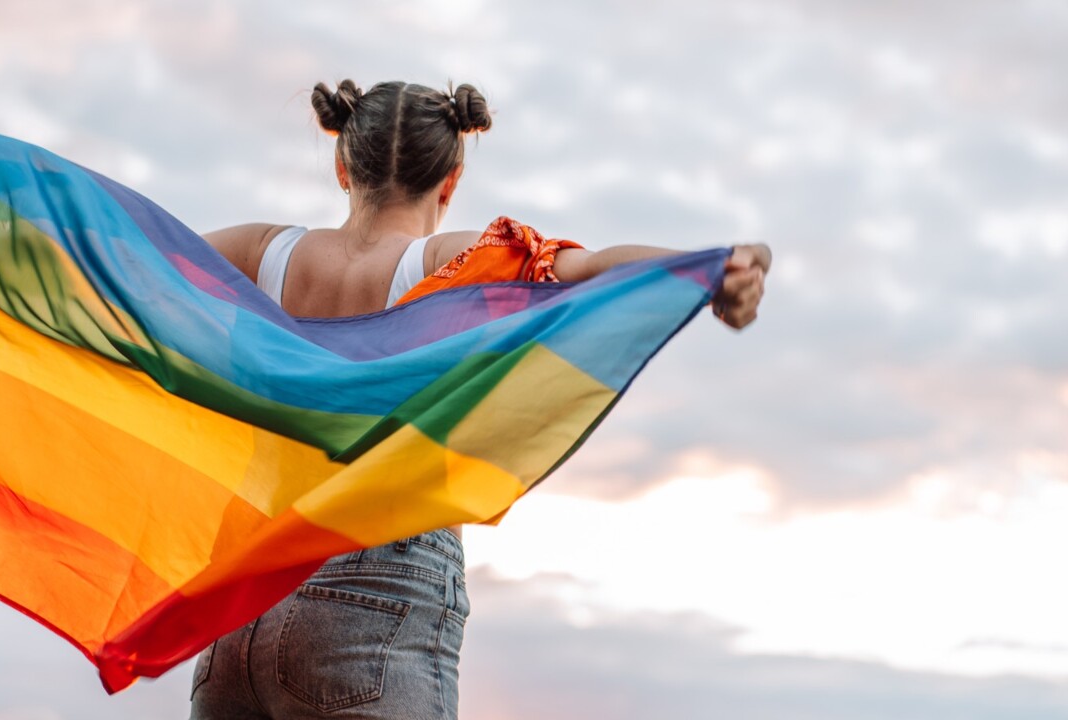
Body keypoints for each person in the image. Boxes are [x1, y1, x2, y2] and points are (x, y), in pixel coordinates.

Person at [188, 79, 770, 720]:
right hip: (372, 602)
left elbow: (124, 259)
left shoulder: (260, 253)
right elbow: (589, 266)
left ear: (341, 164)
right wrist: (720, 266)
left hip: (238, 614)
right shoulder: (445, 263)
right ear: (451, 180)